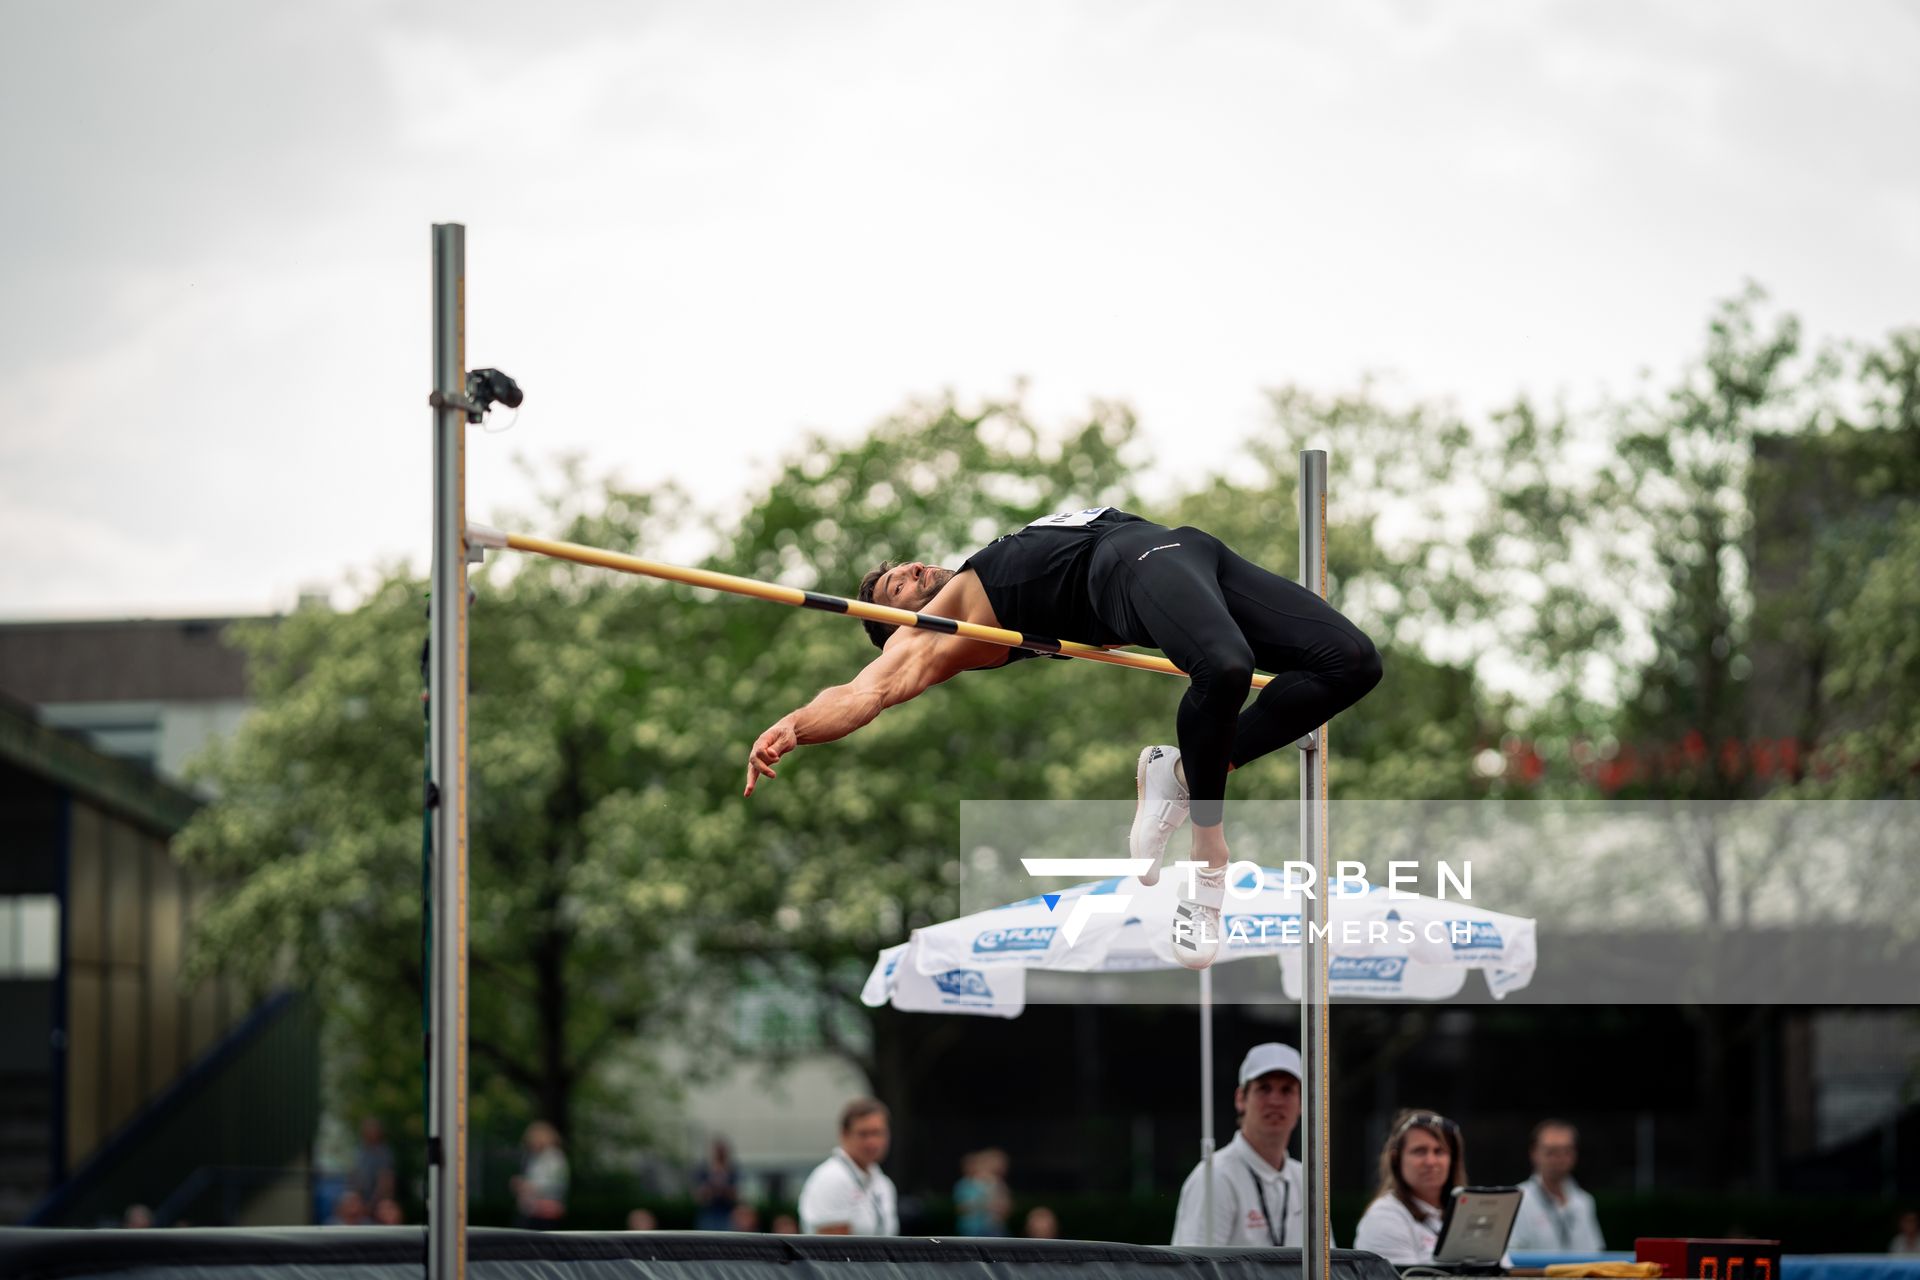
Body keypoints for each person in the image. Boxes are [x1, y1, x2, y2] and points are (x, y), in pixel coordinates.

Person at [744, 508, 1383, 970]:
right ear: (897, 622)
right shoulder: (933, 630)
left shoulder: (980, 569)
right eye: (897, 589)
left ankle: (1182, 776)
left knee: (1351, 662)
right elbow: (865, 693)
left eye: (904, 572)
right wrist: (795, 726)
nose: (912, 572)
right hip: (1128, 566)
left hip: (1186, 549)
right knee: (1226, 668)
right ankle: (1209, 867)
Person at [1171, 1042, 1310, 1246]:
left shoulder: (1306, 1180)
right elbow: (1194, 1270)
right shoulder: (1215, 1177)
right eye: (1264, 1088)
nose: (1275, 1101)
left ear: (1302, 1103)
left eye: (1287, 1090)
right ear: (1241, 1098)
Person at [1353, 1109, 1499, 1265]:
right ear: (1396, 1159)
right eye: (1419, 1151)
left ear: (1453, 1160)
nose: (1430, 1162)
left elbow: (1504, 1269)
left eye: (1439, 1151)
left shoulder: (1471, 1211)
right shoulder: (1384, 1216)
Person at [798, 1097, 899, 1235]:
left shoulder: (883, 1183)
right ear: (844, 1134)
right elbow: (833, 1251)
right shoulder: (831, 1178)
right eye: (863, 1134)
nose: (872, 1142)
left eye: (877, 1133)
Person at [1510, 1119, 1606, 1252]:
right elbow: (1512, 1259)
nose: (1560, 1158)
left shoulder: (1583, 1201)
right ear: (1534, 1153)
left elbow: (1595, 1254)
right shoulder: (1516, 1199)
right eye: (1551, 1152)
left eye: (1567, 1151)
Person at [510, 1120, 569, 1229]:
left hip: (546, 1211)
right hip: (531, 1209)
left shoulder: (554, 1157)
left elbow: (556, 1184)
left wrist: (528, 1186)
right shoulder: (534, 1157)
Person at [954, 1148, 1011, 1236]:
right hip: (971, 1230)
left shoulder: (999, 1184)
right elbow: (961, 1208)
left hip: (995, 1229)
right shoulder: (964, 1185)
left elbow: (1005, 1209)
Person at [692, 1137, 740, 1232]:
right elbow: (698, 1196)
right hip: (708, 1213)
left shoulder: (732, 1171)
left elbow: (735, 1195)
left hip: (726, 1213)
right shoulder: (704, 1170)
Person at [348, 1117, 396, 1207]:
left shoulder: (384, 1153)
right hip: (358, 1200)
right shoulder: (359, 1150)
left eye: (373, 1129)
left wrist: (371, 1203)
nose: (370, 1132)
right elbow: (353, 1175)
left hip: (377, 1202)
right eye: (367, 1128)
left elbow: (385, 1181)